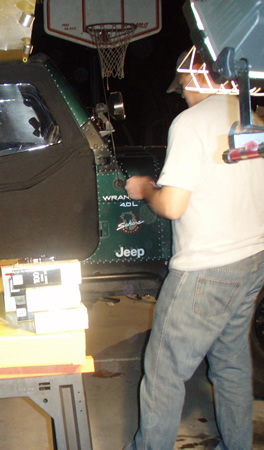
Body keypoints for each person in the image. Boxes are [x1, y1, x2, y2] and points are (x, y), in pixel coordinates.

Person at [124, 48, 264, 449]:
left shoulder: (190, 123)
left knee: (164, 372)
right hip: (252, 260)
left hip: (206, 269)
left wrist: (145, 188)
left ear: (200, 76)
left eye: (183, 85)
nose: (183, 94)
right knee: (231, 365)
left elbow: (172, 205)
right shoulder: (251, 117)